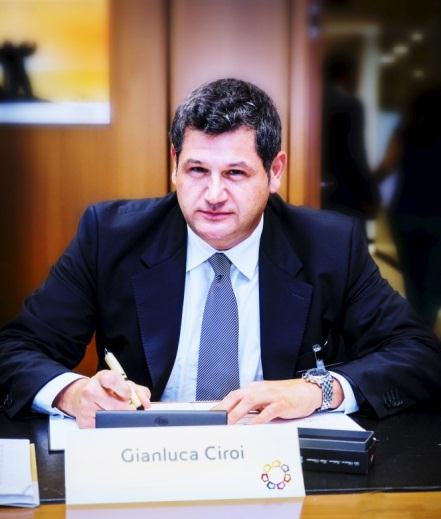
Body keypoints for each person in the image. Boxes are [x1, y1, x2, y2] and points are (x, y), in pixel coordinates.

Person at [0, 78, 440, 429]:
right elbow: (16, 349)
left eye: (235, 173)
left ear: (275, 172)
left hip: (277, 464)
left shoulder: (329, 246)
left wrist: (318, 391)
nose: (213, 195)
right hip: (145, 458)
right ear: (174, 164)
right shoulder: (110, 236)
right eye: (197, 170)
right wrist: (72, 393)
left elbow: (419, 355)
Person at [375, 86, 441, 328]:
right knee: (433, 282)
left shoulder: (404, 131)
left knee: (412, 278)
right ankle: (425, 330)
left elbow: (386, 166)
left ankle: (416, 330)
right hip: (437, 215)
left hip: (405, 213)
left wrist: (367, 186)